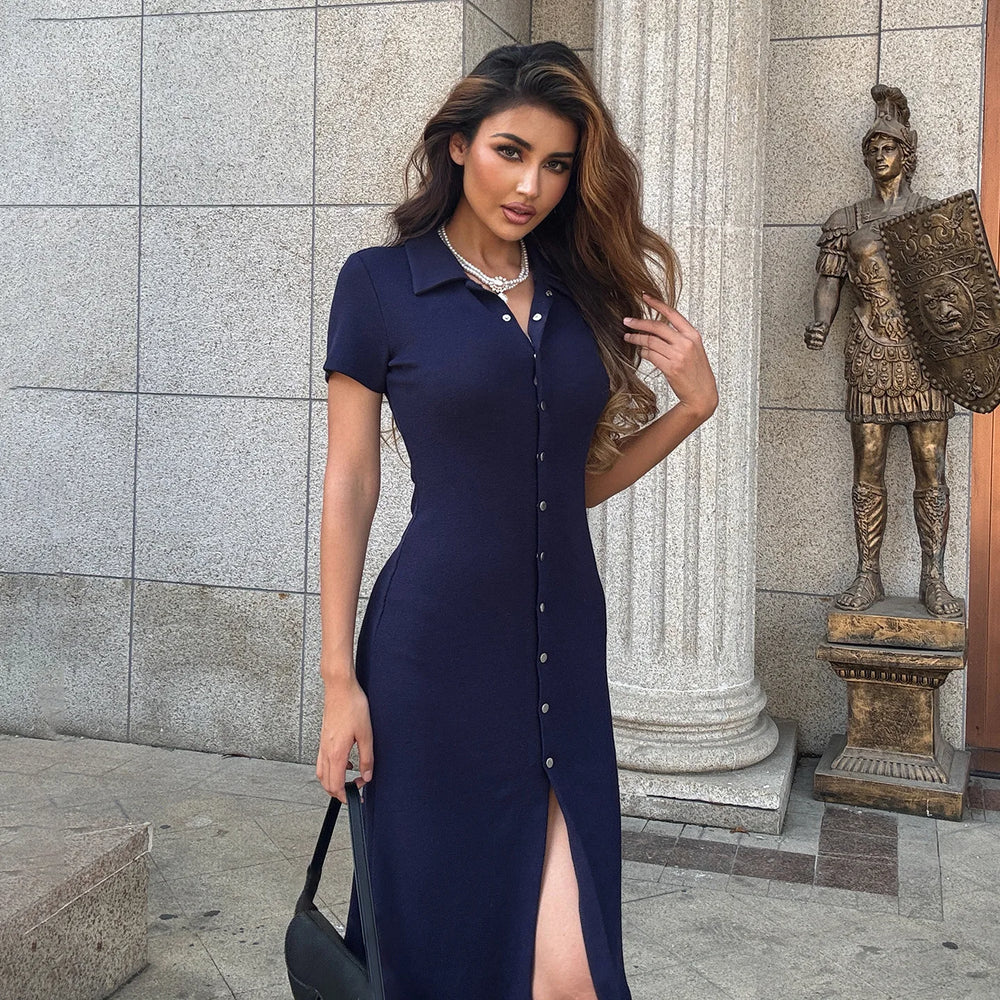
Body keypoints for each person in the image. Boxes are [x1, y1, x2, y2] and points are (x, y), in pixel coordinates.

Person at [315, 42, 718, 1000]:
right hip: (431, 657)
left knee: (570, 970)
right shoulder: (380, 284)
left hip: (561, 649)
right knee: (444, 942)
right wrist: (339, 679)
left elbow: (560, 489)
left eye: (557, 164)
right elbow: (352, 482)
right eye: (509, 151)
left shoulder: (579, 294)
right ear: (457, 146)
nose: (531, 184)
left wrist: (692, 407)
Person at [805, 84, 962, 618]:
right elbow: (830, 282)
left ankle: (933, 576)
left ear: (906, 155)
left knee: (929, 467)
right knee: (868, 467)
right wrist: (820, 322)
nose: (879, 155)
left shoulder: (932, 215)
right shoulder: (845, 220)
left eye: (888, 147)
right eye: (872, 148)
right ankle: (867, 572)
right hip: (870, 353)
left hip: (924, 357)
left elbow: (956, 290)